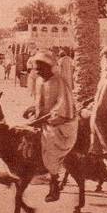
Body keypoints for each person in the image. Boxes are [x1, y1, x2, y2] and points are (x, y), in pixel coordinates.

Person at [24, 50, 85, 202]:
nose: (37, 72)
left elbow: (63, 108)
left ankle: (54, 182)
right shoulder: (40, 81)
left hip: (62, 123)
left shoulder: (59, 82)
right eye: (36, 69)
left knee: (49, 139)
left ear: (48, 67)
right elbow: (41, 104)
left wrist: (42, 120)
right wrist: (32, 110)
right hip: (45, 120)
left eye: (40, 69)